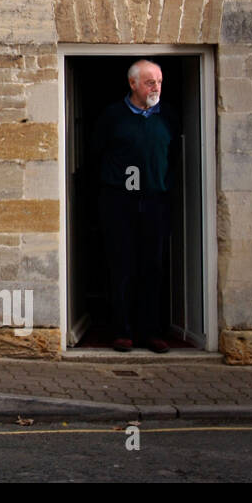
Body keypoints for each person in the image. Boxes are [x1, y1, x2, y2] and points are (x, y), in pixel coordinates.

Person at [91, 59, 176, 354]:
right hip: (120, 202)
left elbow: (175, 157)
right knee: (121, 265)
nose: (156, 87)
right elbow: (96, 153)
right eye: (150, 82)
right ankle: (122, 331)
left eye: (159, 81)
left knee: (153, 267)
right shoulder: (113, 116)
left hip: (155, 201)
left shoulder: (167, 116)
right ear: (133, 84)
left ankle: (151, 331)